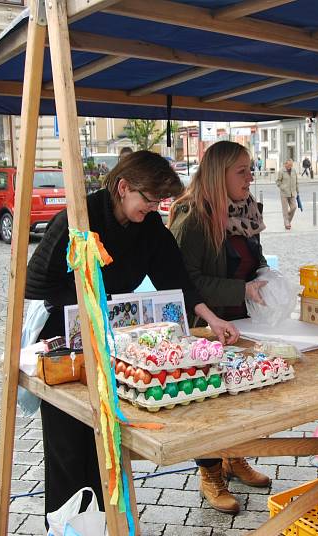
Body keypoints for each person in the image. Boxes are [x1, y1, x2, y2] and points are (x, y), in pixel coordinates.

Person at [25, 151, 240, 522]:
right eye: (148, 198)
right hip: (67, 345)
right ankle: (68, 524)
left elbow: (176, 278)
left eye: (158, 201)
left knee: (107, 439)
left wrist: (211, 317)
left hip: (109, 342)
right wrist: (90, 304)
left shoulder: (150, 227)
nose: (153, 207)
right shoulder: (78, 218)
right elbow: (34, 284)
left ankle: (109, 522)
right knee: (70, 443)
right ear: (123, 187)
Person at [168, 141, 271, 514]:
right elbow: (184, 282)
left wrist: (265, 278)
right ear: (219, 174)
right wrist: (239, 288)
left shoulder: (245, 212)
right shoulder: (192, 218)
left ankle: (235, 457)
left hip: (241, 323)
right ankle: (210, 471)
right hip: (203, 326)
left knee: (241, 396)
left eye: (251, 168)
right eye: (241, 170)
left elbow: (252, 260)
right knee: (207, 401)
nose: (250, 177)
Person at [276, 159, 298, 230]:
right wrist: (283, 187)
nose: (290, 166)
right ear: (285, 164)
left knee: (294, 207)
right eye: (289, 165)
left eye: (291, 165)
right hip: (284, 193)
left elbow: (296, 181)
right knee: (285, 209)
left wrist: (297, 190)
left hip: (292, 192)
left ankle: (287, 220)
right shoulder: (281, 171)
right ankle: (287, 223)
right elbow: (278, 181)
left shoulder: (294, 171)